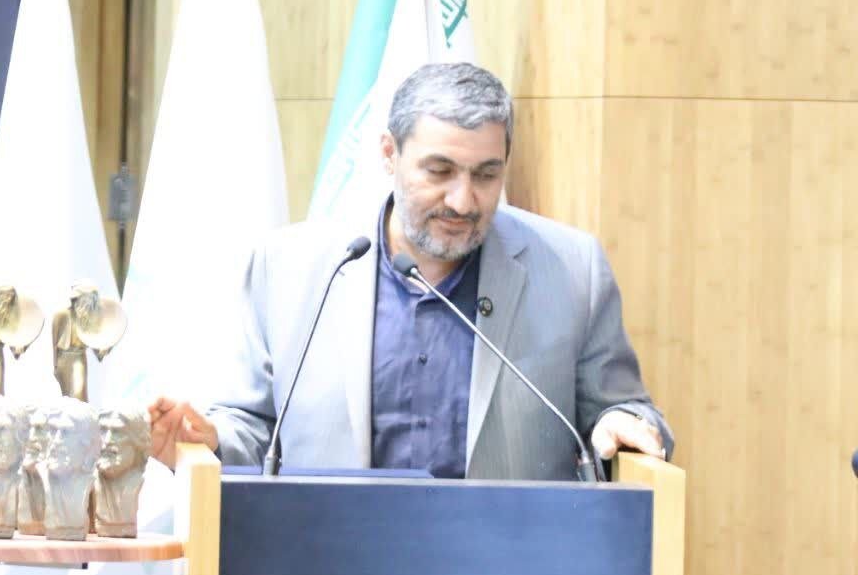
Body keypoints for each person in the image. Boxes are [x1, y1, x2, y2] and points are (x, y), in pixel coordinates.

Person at [149, 62, 673, 480]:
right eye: (439, 171)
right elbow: (253, 429)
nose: (462, 201)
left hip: (507, 571)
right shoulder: (289, 269)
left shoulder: (572, 271)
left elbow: (624, 412)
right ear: (389, 154)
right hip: (329, 571)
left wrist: (623, 425)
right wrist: (208, 439)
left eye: (486, 176)